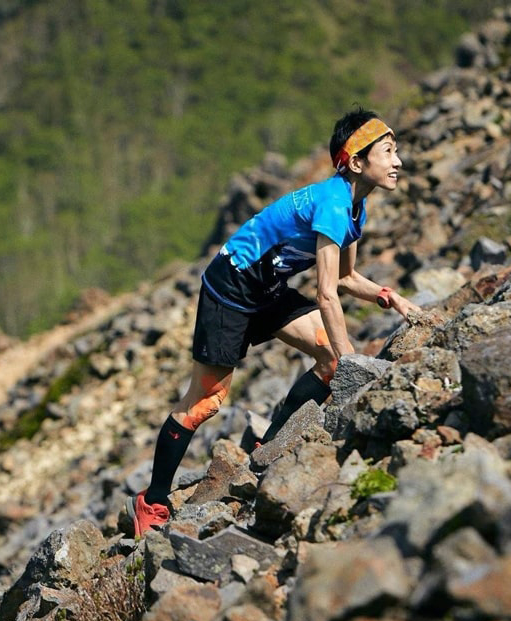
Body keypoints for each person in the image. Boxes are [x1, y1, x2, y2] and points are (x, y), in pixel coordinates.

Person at [126, 107, 420, 537]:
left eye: (397, 151)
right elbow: (326, 293)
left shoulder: (356, 209)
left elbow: (345, 277)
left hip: (265, 288)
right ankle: (151, 502)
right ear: (356, 162)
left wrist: (391, 298)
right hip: (229, 288)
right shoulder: (335, 204)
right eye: (389, 152)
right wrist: (358, 367)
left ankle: (269, 449)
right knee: (204, 403)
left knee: (330, 359)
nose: (398, 162)